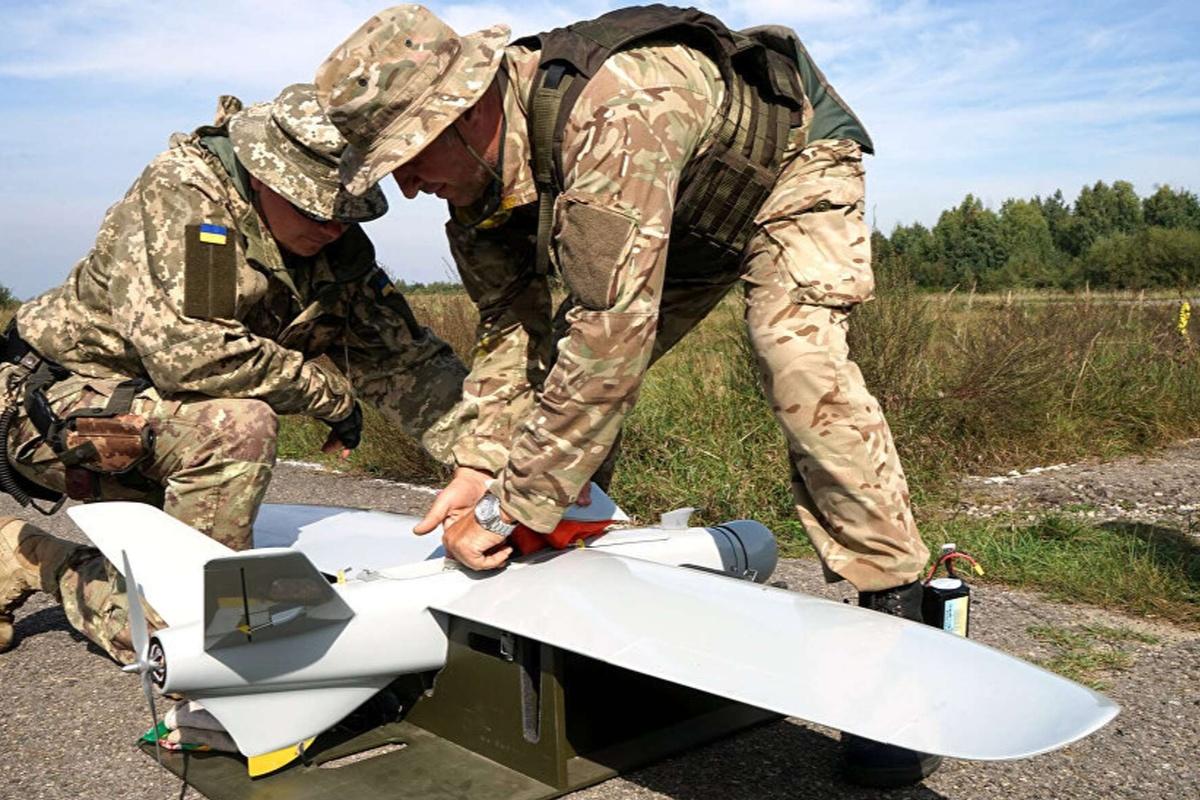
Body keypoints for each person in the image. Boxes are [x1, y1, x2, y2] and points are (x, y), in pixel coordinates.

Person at [315, 4, 939, 787]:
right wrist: (479, 466)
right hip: (683, 217)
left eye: (409, 156)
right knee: (554, 391)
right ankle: (570, 604)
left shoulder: (613, 110)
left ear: (466, 110)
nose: (408, 187)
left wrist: (514, 508)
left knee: (798, 362)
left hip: (788, 172)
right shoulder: (474, 198)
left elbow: (609, 344)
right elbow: (513, 331)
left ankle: (900, 631)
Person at [0, 83, 467, 664]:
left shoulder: (333, 245)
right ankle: (33, 557)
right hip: (50, 409)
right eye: (316, 208)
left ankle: (182, 591)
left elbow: (409, 362)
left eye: (347, 213)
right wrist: (329, 394)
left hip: (155, 422)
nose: (333, 227)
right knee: (235, 438)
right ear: (264, 176)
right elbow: (193, 353)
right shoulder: (189, 198)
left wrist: (497, 465)